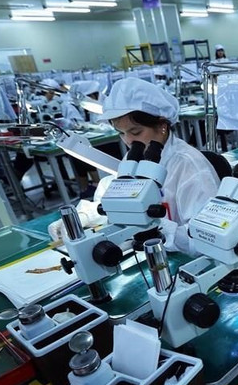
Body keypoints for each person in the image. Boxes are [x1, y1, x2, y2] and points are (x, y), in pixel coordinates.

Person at [48, 78, 220, 255]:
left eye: (135, 131)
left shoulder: (189, 166)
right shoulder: (137, 156)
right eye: (121, 133)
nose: (129, 141)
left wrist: (155, 227)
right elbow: (119, 201)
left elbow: (205, 239)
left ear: (162, 125)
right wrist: (83, 217)